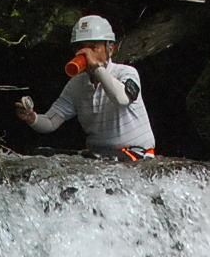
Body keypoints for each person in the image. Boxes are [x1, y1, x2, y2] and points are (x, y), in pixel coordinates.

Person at [13, 15, 156, 162]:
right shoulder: (76, 85)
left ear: (110, 49)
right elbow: (50, 121)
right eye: (81, 48)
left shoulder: (126, 72)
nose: (86, 54)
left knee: (99, 159)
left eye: (93, 47)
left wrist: (97, 68)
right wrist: (32, 118)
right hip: (97, 154)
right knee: (42, 153)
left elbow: (122, 99)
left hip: (136, 152)